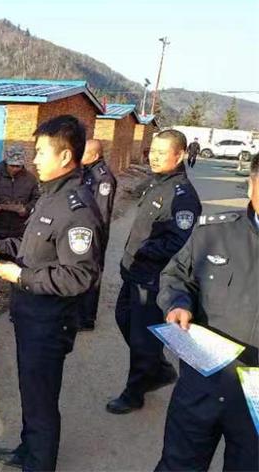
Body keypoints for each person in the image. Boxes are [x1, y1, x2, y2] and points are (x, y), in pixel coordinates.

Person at [0, 115, 103, 471]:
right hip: (31, 315)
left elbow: (80, 275)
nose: (34, 160)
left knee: (41, 399)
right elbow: (33, 246)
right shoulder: (50, 195)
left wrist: (21, 276)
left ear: (65, 156)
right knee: (30, 392)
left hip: (49, 322)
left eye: (42, 152)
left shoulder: (77, 208)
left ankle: (39, 463)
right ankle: (28, 449)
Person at [153, 154, 259, 471]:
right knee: (178, 464)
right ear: (251, 185)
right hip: (203, 378)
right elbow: (177, 276)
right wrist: (177, 304)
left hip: (256, 397)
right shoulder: (213, 233)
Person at [107, 129, 202, 415]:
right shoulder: (157, 182)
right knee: (124, 319)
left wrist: (144, 251)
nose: (154, 157)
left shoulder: (182, 196)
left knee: (142, 338)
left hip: (152, 278)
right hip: (134, 273)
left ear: (180, 155)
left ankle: (134, 393)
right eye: (153, 151)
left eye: (163, 152)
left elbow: (179, 242)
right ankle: (158, 369)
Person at [0, 145, 40, 304]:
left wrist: (27, 209)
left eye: (18, 166)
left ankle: (17, 295)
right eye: (12, 165)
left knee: (18, 263)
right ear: (6, 162)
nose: (15, 169)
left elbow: (37, 199)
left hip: (19, 230)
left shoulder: (30, 179)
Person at [78, 139, 118, 330]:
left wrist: (92, 237)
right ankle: (78, 313)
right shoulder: (87, 172)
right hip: (83, 231)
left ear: (95, 155)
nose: (80, 156)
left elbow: (101, 213)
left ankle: (87, 319)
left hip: (94, 233)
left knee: (91, 274)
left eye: (84, 153)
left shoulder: (103, 178)